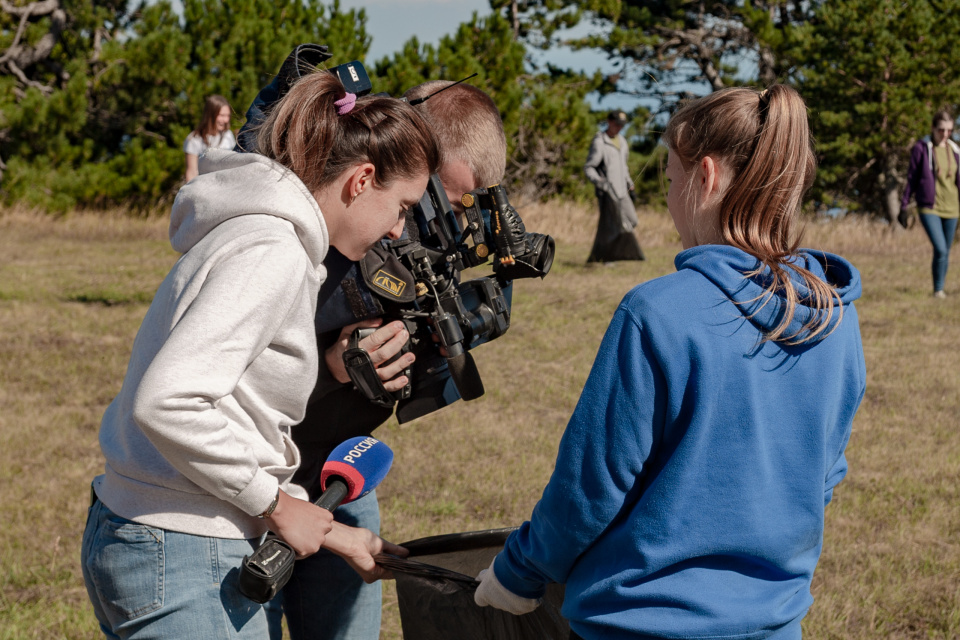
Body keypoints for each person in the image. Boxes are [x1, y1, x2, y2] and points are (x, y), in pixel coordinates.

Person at [475, 85, 866, 640]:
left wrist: (519, 572)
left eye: (670, 179)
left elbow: (588, 489)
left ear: (703, 177)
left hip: (641, 624)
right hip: (776, 621)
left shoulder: (656, 313)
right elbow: (823, 473)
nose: (670, 194)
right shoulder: (836, 316)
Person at [80, 71, 441, 639]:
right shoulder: (271, 250)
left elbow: (238, 421)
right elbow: (169, 402)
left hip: (178, 537)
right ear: (361, 179)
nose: (399, 230)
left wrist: (334, 532)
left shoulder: (269, 237)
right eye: (401, 206)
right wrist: (275, 504)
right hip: (183, 553)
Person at [280, 78, 510, 640]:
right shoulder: (300, 235)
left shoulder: (433, 238)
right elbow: (219, 388)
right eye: (436, 200)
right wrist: (333, 363)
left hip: (342, 477)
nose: (418, 227)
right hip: (255, 485)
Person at [899, 110, 960, 298]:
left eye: (949, 130)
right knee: (941, 248)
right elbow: (912, 178)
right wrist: (904, 206)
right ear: (933, 128)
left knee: (944, 251)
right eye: (941, 130)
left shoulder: (955, 150)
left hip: (953, 207)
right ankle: (939, 290)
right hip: (929, 206)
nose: (945, 134)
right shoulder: (921, 148)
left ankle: (938, 290)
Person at [583, 109, 645, 263]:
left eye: (622, 125)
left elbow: (623, 166)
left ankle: (612, 253)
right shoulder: (599, 142)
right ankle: (608, 258)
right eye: (617, 124)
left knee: (632, 220)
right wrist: (599, 182)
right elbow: (589, 167)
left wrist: (630, 183)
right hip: (608, 192)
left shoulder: (622, 141)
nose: (619, 128)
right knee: (611, 227)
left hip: (622, 190)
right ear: (609, 122)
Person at [184, 94, 236, 182]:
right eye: (222, 115)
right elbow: (192, 173)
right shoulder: (194, 140)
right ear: (210, 115)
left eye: (228, 116)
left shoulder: (228, 135)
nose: (226, 120)